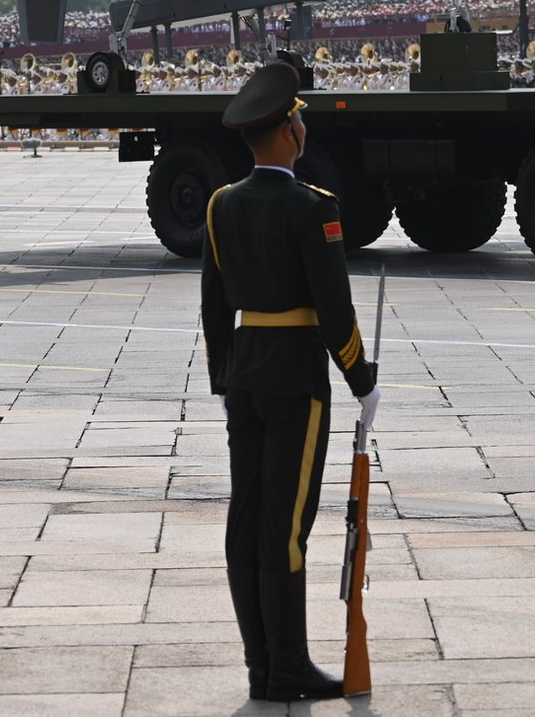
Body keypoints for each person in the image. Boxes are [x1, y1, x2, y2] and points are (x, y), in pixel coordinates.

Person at [200, 62, 381, 702]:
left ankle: (261, 665)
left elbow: (214, 307)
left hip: (245, 373)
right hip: (295, 378)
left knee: (246, 519)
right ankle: (289, 669)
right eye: (299, 118)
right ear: (287, 133)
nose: (304, 125)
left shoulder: (222, 205)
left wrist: (225, 378)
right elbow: (333, 309)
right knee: (286, 525)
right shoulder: (312, 208)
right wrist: (361, 377)